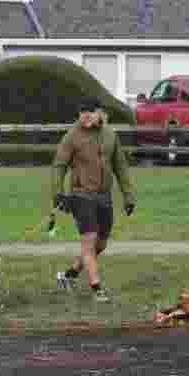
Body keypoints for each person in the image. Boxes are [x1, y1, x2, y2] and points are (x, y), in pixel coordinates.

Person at [51, 98, 136, 302]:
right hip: (81, 196)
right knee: (88, 243)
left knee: (101, 244)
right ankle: (97, 289)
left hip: (104, 197)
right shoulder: (72, 136)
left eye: (89, 112)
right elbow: (59, 166)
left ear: (100, 113)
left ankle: (69, 275)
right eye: (81, 112)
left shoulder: (110, 135)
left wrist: (128, 196)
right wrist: (58, 193)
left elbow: (121, 168)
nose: (85, 116)